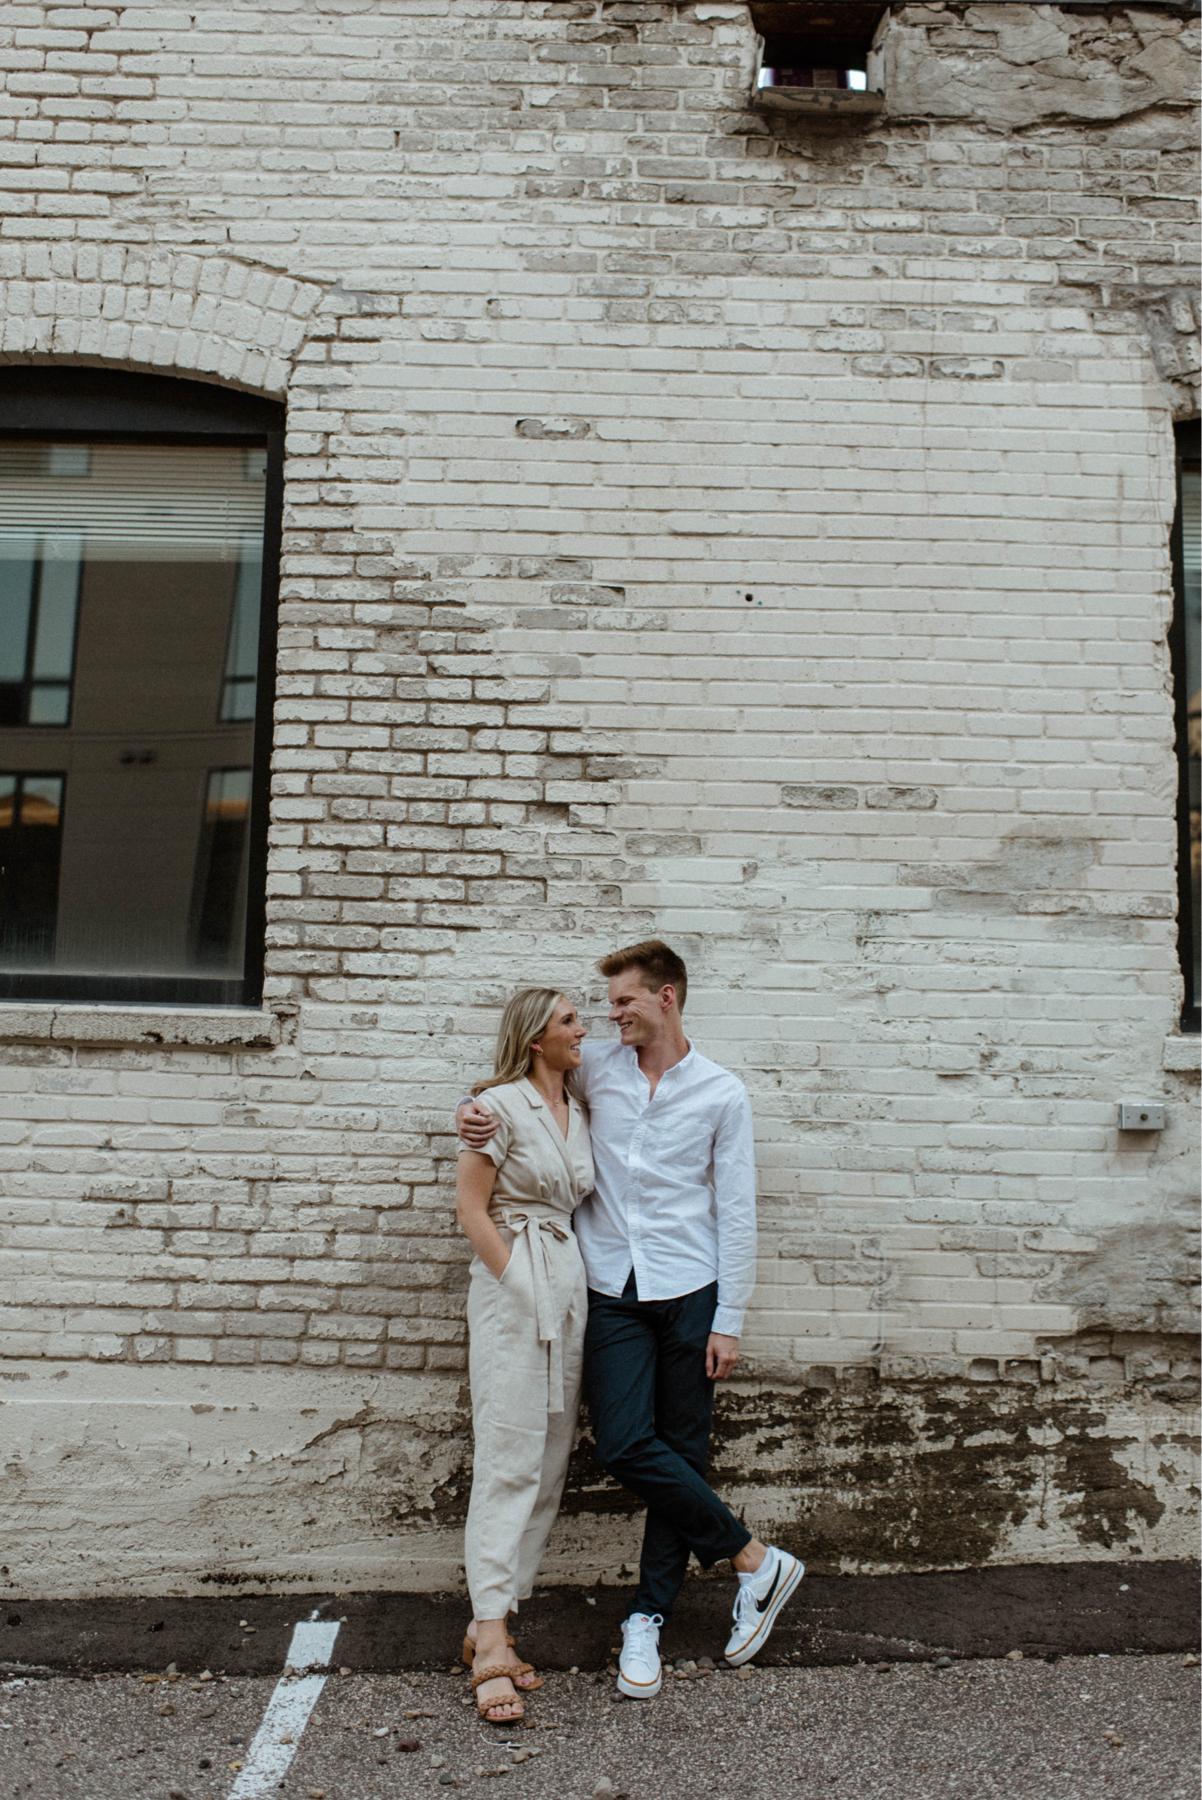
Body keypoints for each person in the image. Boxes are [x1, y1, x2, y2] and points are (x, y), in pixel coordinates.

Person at [458, 939, 803, 1701]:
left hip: (691, 1289)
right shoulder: (597, 1070)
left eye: (623, 1002)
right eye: (603, 1006)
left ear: (665, 997)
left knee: (682, 1451)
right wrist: (470, 1110)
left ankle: (647, 1617)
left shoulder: (721, 1093)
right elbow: (518, 1090)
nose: (609, 1016)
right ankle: (754, 1558)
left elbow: (736, 1212)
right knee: (623, 1442)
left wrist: (729, 1318)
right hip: (609, 1288)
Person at [455, 987, 594, 1724]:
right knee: (509, 1455)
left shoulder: (582, 1107)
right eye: (570, 1020)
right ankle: (493, 1645)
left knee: (546, 1460)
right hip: (516, 1284)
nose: (584, 1028)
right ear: (536, 1037)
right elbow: (470, 1209)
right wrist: (516, 1283)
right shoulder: (497, 1107)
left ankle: (492, 1618)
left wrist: (555, 1291)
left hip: (568, 1284)